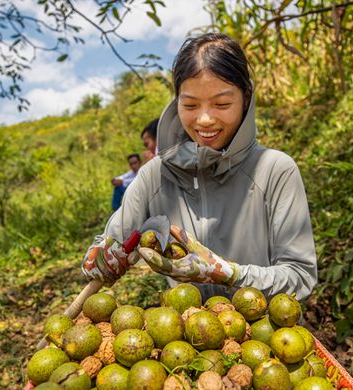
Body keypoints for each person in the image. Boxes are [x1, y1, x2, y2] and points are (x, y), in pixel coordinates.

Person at [82, 33, 317, 300]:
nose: (204, 119)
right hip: (182, 337)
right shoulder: (154, 177)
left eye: (222, 104)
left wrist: (228, 273)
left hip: (267, 338)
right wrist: (99, 260)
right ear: (177, 100)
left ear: (246, 99)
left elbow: (300, 277)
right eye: (190, 105)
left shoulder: (275, 171)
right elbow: (104, 248)